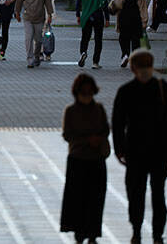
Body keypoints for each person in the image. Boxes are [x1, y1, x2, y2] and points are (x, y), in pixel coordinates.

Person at [112, 49, 167, 244]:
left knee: (137, 192)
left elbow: (118, 123)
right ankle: (156, 235)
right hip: (159, 151)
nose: (144, 71)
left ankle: (137, 232)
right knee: (157, 192)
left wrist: (119, 149)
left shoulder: (127, 91)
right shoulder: (160, 86)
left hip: (136, 151)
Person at [60, 74, 109, 244]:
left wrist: (99, 139)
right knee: (78, 199)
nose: (87, 95)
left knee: (96, 199)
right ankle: (80, 233)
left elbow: (106, 130)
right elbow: (67, 135)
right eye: (84, 92)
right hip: (78, 160)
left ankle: (93, 234)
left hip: (96, 161)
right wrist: (88, 140)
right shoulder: (71, 111)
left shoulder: (99, 109)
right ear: (77, 92)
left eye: (90, 92)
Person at [15, 0, 54, 68]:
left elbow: (48, 1)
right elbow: (19, 1)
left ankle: (37, 56)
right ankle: (30, 59)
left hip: (39, 17)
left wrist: (50, 14)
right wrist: (17, 13)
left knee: (39, 40)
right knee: (28, 38)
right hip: (28, 17)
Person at [110, 0, 149, 67]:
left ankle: (125, 55)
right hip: (136, 18)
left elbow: (118, 4)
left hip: (124, 17)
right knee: (136, 39)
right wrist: (144, 21)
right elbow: (142, 7)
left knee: (123, 38)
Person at [77, 0, 110, 70]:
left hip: (86, 15)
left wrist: (78, 15)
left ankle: (83, 52)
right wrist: (107, 18)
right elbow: (104, 4)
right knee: (98, 39)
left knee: (85, 37)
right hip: (98, 16)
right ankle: (95, 62)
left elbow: (78, 2)